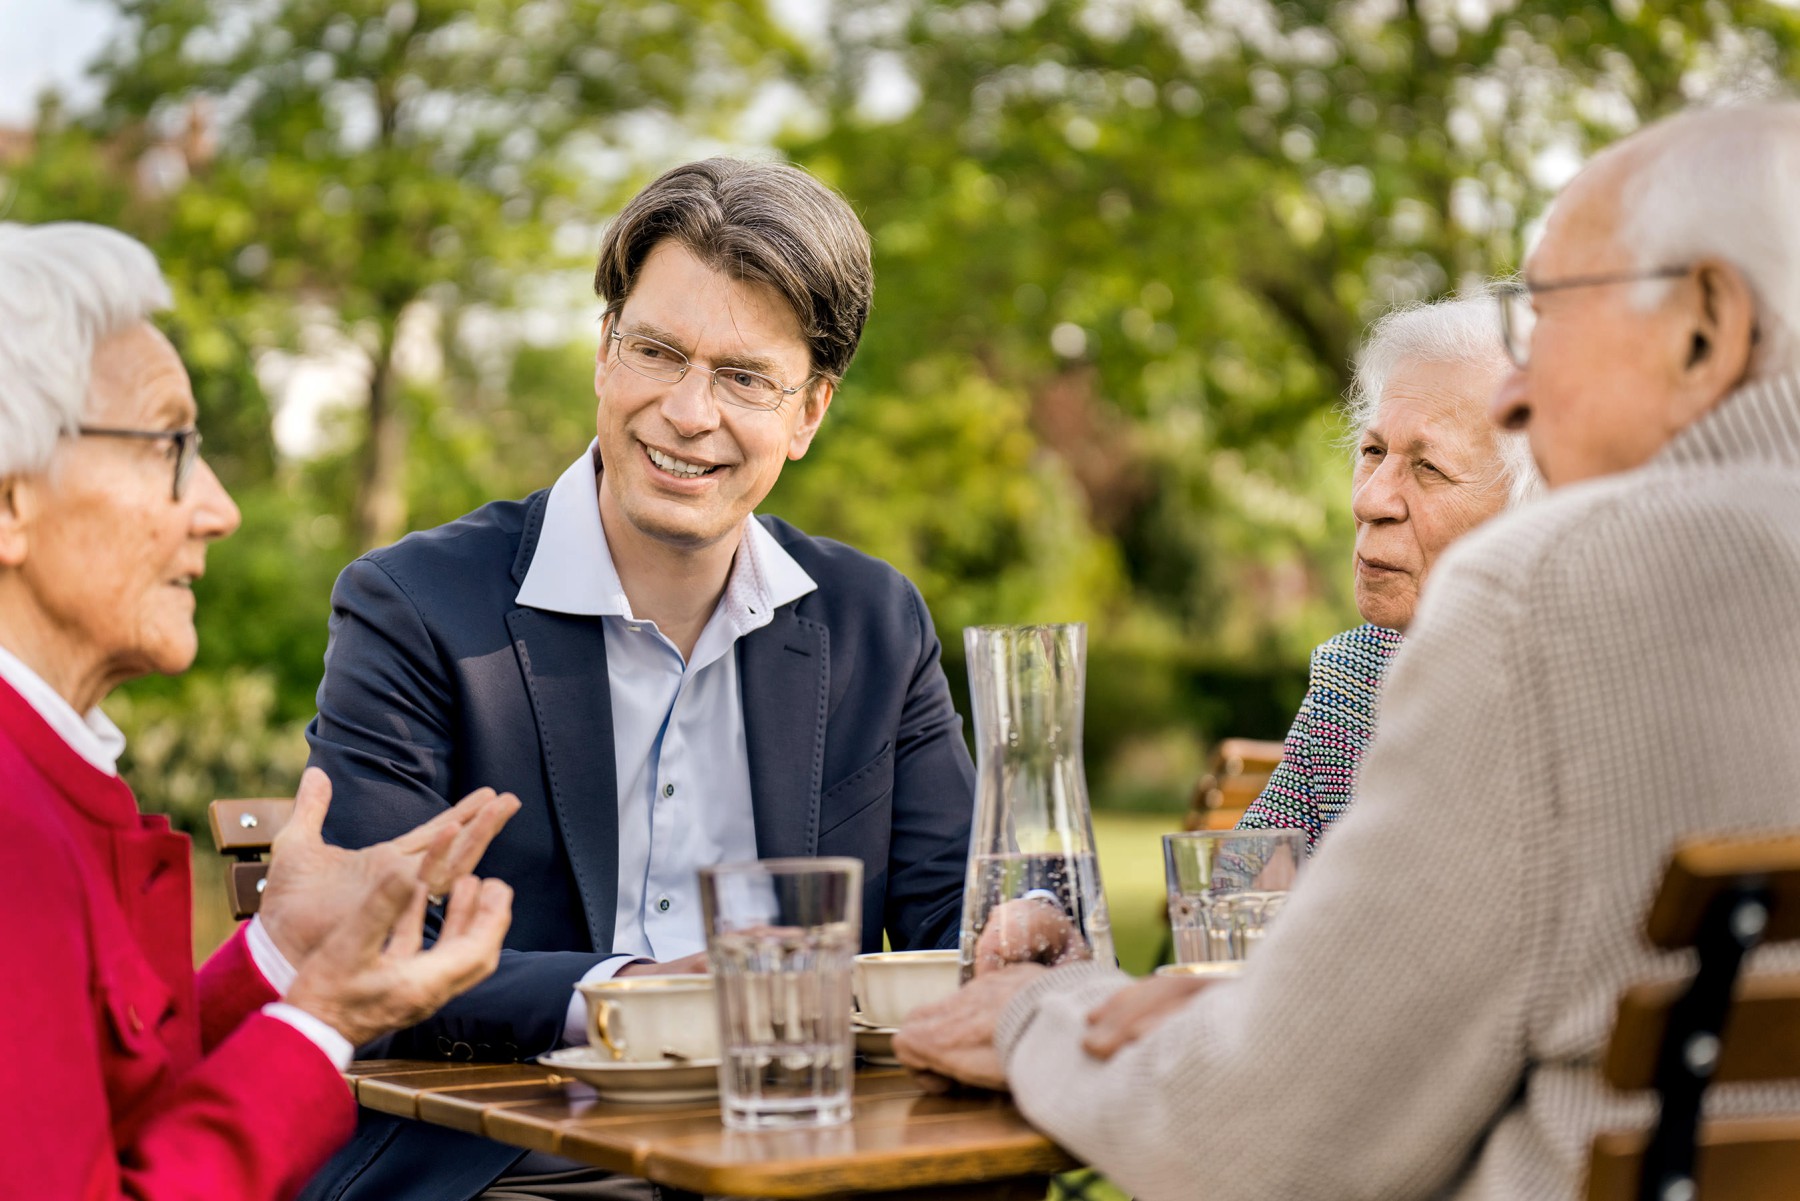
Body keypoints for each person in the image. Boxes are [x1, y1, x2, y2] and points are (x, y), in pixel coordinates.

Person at [896, 102, 1800, 1200]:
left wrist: (1040, 1013)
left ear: (1706, 324)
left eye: (1550, 316)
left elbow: (1262, 1141)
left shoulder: (1545, 598)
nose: (1520, 386)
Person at [300, 159, 977, 1201]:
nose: (687, 410)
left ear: (809, 414)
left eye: (746, 378)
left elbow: (962, 932)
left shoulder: (873, 625)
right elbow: (374, 949)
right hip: (506, 1168)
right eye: (657, 352)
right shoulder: (414, 606)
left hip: (813, 1163)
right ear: (605, 354)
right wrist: (641, 995)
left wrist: (1021, 936)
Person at [0, 222, 519, 1199]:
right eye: (170, 446)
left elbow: (103, 1111)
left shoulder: (43, 779)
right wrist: (321, 1020)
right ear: (9, 502)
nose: (221, 506)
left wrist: (281, 954)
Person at [1237, 293, 1538, 852]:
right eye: (1374, 452)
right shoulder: (1357, 677)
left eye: (1429, 467)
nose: (1371, 500)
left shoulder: (1581, 705)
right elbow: (1246, 893)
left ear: (1532, 513)